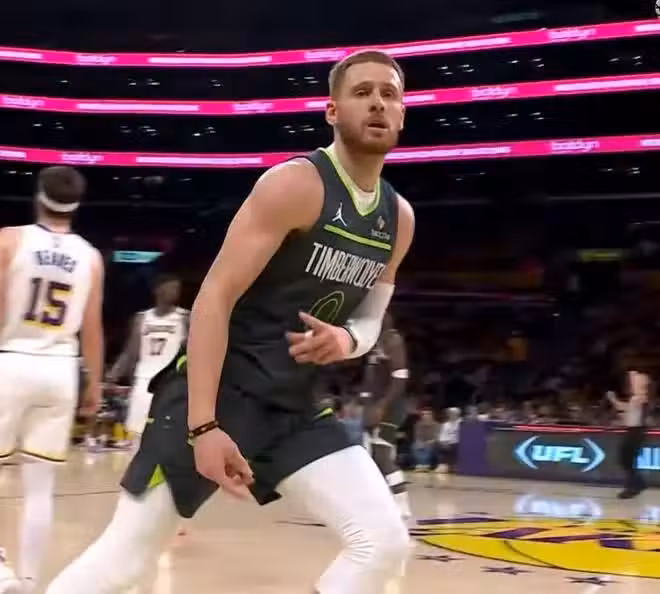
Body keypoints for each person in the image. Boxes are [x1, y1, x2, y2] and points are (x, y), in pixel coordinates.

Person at [45, 49, 415, 594]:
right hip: (219, 393)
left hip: (294, 405)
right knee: (126, 559)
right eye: (362, 92)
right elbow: (214, 298)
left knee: (383, 542)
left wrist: (345, 338)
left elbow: (369, 322)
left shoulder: (398, 219)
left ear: (403, 112)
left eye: (389, 94)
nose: (378, 103)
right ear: (332, 111)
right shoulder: (295, 185)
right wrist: (204, 426)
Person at [0, 166, 104, 594]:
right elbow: (92, 329)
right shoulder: (91, 257)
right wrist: (95, 384)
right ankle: (29, 583)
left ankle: (1, 572)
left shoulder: (9, 240)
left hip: (12, 360)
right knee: (40, 487)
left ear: (37, 196)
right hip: (61, 370)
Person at [105, 273, 188, 444]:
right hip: (143, 382)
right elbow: (130, 352)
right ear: (157, 289)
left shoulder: (185, 318)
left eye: (177, 287)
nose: (174, 290)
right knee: (136, 438)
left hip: (169, 384)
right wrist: (112, 376)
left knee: (167, 437)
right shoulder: (141, 318)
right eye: (170, 286)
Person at [361, 312, 412, 521]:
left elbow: (400, 378)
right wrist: (366, 400)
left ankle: (403, 505)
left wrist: (382, 405)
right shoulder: (374, 343)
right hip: (375, 404)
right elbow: (371, 377)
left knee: (381, 454)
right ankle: (381, 502)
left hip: (391, 406)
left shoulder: (393, 340)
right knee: (372, 457)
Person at [606, 368, 649, 499]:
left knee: (626, 460)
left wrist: (613, 399)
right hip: (633, 431)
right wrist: (613, 399)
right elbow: (625, 410)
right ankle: (637, 484)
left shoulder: (639, 397)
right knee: (626, 460)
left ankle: (635, 486)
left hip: (636, 431)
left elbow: (624, 407)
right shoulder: (635, 398)